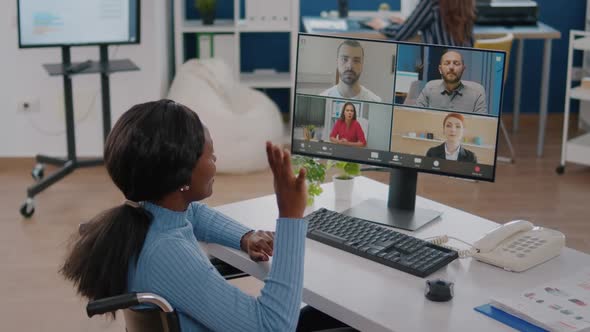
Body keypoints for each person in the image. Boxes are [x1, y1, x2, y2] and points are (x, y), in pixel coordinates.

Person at [60, 99, 351, 331]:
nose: (215, 161)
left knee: (336, 315)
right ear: (181, 175)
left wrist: (244, 236)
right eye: (210, 155)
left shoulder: (148, 213)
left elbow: (194, 215)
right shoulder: (167, 253)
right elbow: (271, 326)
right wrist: (290, 217)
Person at [365, 0, 476, 47]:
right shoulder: (466, 2)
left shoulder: (432, 2)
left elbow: (401, 34)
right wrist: (411, 21)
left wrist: (383, 26)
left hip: (440, 66)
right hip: (463, 66)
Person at [415, 49, 487, 114]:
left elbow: (481, 124)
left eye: (456, 63)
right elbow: (416, 115)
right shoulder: (429, 88)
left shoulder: (477, 92)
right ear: (440, 69)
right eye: (447, 63)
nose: (451, 67)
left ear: (463, 69)